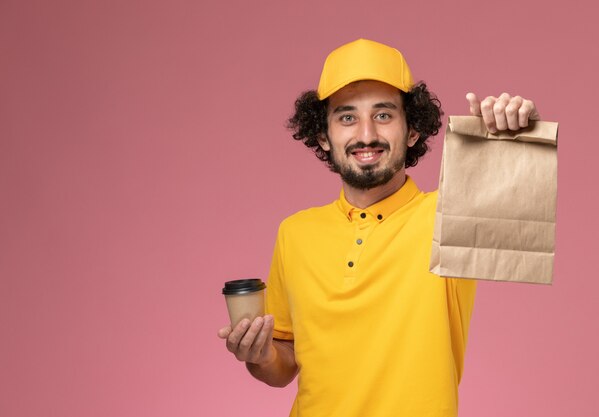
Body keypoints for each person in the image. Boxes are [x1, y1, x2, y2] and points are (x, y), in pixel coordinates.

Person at [217, 39, 540, 417]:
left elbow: (519, 203)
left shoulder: (450, 215)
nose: (366, 134)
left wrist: (514, 134)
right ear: (324, 135)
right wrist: (259, 355)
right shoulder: (295, 232)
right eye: (347, 117)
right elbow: (284, 362)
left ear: (413, 131)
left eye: (384, 115)